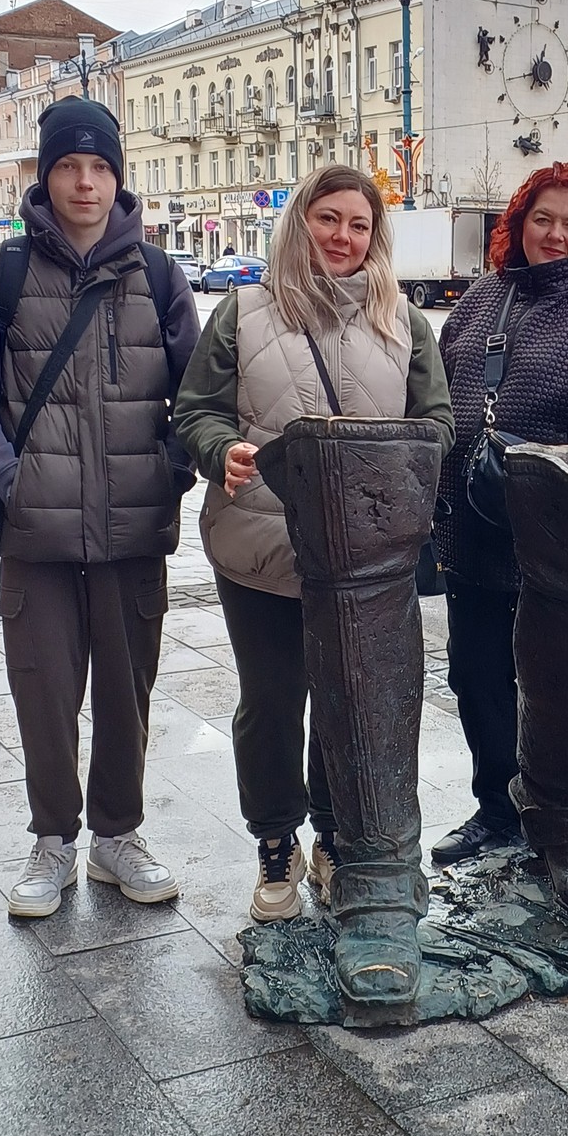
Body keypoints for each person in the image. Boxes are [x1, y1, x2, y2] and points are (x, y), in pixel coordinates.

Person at [0, 96, 200, 918]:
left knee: (128, 693)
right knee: (43, 692)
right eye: (68, 166)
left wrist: (170, 469)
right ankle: (52, 843)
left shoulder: (158, 276)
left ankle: (118, 835)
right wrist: (10, 479)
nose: (84, 182)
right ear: (46, 176)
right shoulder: (3, 273)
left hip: (133, 530)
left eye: (99, 167)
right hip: (36, 533)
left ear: (118, 179)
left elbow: (200, 398)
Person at [173, 164, 453, 923]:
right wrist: (218, 448)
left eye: (358, 224)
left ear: (376, 235)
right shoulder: (246, 311)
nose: (342, 236)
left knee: (348, 701)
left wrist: (394, 472)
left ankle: (333, 838)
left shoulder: (405, 321)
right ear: (301, 223)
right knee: (270, 703)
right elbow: (195, 408)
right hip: (259, 542)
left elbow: (438, 426)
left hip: (363, 559)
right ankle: (275, 840)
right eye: (328, 219)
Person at [433, 162, 568, 866]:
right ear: (518, 224)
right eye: (542, 219)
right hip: (472, 522)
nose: (554, 234)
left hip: (553, 532)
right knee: (477, 676)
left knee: (551, 690)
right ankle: (496, 809)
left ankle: (555, 817)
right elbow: (435, 389)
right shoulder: (481, 297)